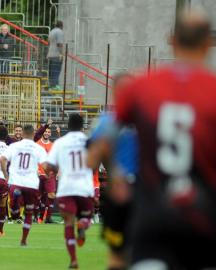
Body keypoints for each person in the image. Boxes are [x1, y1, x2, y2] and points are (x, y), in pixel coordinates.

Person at [115, 10, 216, 270]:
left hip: (154, 212)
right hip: (202, 213)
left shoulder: (140, 86)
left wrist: (117, 174)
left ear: (172, 40)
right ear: (209, 43)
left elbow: (109, 134)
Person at [86, 73, 138, 270]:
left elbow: (91, 163)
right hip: (147, 194)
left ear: (114, 92)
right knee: (145, 249)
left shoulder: (106, 122)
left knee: (116, 255)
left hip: (120, 192)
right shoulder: (151, 119)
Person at [44, 114, 94, 269]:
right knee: (87, 218)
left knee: (68, 223)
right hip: (85, 187)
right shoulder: (89, 142)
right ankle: (83, 223)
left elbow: (48, 166)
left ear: (68, 126)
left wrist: (53, 171)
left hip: (66, 188)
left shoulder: (60, 143)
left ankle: (73, 260)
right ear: (82, 127)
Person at [0, 125, 47, 246]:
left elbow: (2, 159)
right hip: (31, 183)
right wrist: (50, 174)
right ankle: (24, 239)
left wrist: (6, 174)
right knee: (29, 212)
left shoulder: (14, 146)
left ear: (23, 133)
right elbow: (46, 166)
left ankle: (15, 205)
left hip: (16, 181)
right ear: (33, 134)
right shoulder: (38, 148)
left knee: (14, 213)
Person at [35, 120, 61, 223]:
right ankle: (36, 217)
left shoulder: (53, 145)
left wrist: (58, 171)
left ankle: (48, 218)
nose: (47, 133)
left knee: (51, 195)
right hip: (38, 173)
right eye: (45, 132)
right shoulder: (36, 143)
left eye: (48, 132)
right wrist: (35, 169)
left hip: (49, 174)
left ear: (50, 134)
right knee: (37, 197)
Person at [47, 21, 64, 89]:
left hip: (50, 54)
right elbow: (59, 44)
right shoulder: (59, 32)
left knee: (51, 71)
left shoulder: (52, 31)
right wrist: (61, 53)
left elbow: (48, 42)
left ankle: (51, 85)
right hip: (56, 54)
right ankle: (55, 85)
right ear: (61, 26)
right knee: (56, 70)